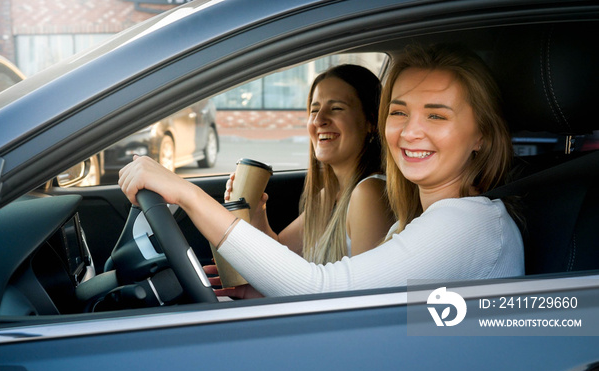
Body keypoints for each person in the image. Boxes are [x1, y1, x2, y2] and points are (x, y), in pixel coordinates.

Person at [118, 43, 524, 298]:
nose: (411, 131)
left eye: (436, 116)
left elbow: (325, 291)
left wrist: (186, 192)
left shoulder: (467, 224)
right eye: (399, 112)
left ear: (481, 135)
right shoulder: (420, 220)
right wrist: (262, 296)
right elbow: (419, 320)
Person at [224, 64, 393, 264]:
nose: (319, 120)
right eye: (314, 110)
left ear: (371, 122)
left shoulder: (369, 193)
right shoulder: (329, 195)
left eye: (336, 108)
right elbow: (281, 253)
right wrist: (257, 210)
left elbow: (366, 291)